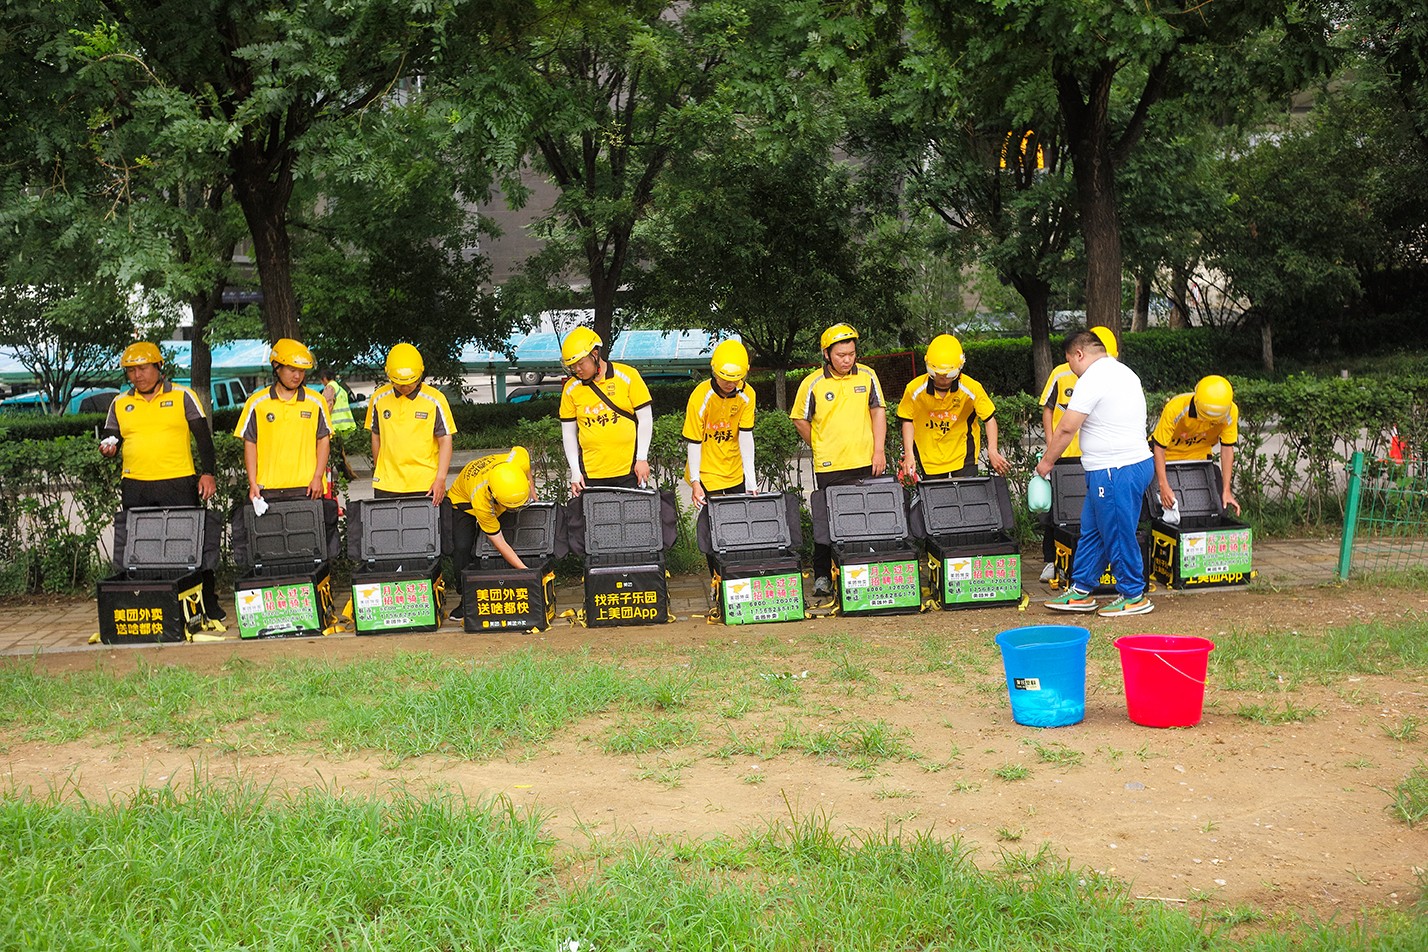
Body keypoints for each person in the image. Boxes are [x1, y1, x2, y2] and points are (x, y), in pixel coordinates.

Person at [100, 342, 224, 622]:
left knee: (189, 545)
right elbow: (110, 438)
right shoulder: (120, 403)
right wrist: (108, 448)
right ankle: (152, 602)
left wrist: (208, 472)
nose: (137, 375)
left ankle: (206, 603)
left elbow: (203, 438)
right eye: (131, 371)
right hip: (135, 484)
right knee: (142, 548)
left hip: (178, 481)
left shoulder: (183, 396)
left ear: (159, 367)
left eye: (143, 369)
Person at [1035, 329, 1154, 617]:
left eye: (1070, 362)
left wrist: (1047, 462)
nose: (1072, 370)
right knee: (1093, 530)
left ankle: (1133, 595)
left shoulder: (1093, 378)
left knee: (1117, 533)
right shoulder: (1124, 373)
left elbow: (1067, 427)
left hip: (1115, 469)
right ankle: (1081, 590)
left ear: (1079, 354)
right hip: (1117, 467)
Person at [790, 322, 887, 597]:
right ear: (826, 354)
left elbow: (878, 411)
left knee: (869, 519)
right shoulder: (813, 383)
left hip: (867, 460)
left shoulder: (867, 376)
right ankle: (822, 576)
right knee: (827, 521)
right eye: (841, 355)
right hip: (830, 465)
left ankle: (867, 570)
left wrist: (878, 450)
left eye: (851, 354)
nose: (847, 360)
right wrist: (820, 444)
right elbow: (799, 418)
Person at [232, 337, 339, 558]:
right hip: (268, 490)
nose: (297, 375)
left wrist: (317, 477)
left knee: (309, 554)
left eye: (301, 370)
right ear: (276, 367)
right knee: (271, 555)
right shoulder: (257, 402)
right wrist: (253, 483)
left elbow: (323, 441)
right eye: (292, 369)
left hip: (305, 489)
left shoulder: (315, 401)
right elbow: (250, 443)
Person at [1035, 325, 1120, 582]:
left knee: (1086, 511)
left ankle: (1085, 565)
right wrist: (1051, 445)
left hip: (1095, 457)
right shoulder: (1062, 373)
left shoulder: (1113, 376)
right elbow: (1048, 408)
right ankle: (1051, 561)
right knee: (1056, 512)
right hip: (1064, 455)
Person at [684, 339, 757, 575]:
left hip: (734, 469)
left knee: (738, 525)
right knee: (713, 529)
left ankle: (737, 577)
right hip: (707, 471)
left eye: (736, 379)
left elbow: (745, 436)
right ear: (714, 371)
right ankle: (716, 577)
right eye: (725, 378)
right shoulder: (701, 396)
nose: (730, 384)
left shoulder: (747, 394)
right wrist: (695, 481)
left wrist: (751, 480)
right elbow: (694, 441)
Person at [897, 334, 1010, 481]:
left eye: (950, 374)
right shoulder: (914, 389)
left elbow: (989, 419)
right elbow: (907, 420)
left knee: (967, 493)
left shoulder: (971, 388)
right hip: (930, 455)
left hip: (964, 452)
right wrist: (909, 454)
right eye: (936, 373)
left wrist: (993, 450)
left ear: (960, 366)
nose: (943, 378)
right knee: (936, 495)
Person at [558, 327, 653, 495]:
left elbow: (645, 418)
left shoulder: (627, 376)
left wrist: (642, 458)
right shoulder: (571, 388)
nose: (577, 370)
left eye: (581, 363)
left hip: (629, 470)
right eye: (572, 366)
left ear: (595, 354)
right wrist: (575, 471)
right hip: (590, 474)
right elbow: (568, 433)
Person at [446, 447, 536, 619]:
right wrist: (526, 571)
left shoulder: (518, 461)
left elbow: (522, 453)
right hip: (463, 502)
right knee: (463, 548)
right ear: (495, 497)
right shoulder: (481, 500)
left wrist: (531, 491)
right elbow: (499, 541)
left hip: (494, 483)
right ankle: (466, 597)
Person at [364, 343, 456, 504]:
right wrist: (380, 470)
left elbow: (445, 440)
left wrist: (440, 478)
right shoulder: (379, 398)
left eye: (409, 382)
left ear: (420, 375)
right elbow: (376, 436)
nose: (404, 387)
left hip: (425, 483)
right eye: (399, 383)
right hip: (387, 484)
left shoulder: (435, 400)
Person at [1150, 374, 1241, 516]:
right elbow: (1159, 448)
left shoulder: (1230, 412)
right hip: (1167, 457)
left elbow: (1227, 449)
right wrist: (1163, 486)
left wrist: (1227, 490)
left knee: (1218, 509)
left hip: (1199, 459)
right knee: (1153, 511)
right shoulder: (1176, 407)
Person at [318, 366, 358, 479]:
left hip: (334, 425)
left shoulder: (329, 388)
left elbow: (328, 406)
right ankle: (347, 474)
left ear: (324, 378)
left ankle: (345, 475)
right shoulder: (341, 388)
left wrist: (323, 421)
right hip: (343, 425)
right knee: (338, 452)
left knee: (335, 452)